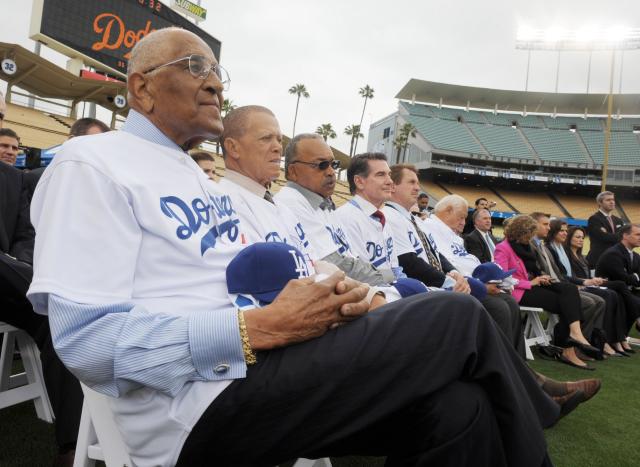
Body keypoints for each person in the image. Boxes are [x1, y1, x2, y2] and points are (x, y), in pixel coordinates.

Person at [28, 27, 560, 467]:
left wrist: (331, 300)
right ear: (141, 89)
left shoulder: (194, 177)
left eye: (217, 71)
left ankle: (529, 404)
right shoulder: (93, 164)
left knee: (458, 407)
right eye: (195, 67)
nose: (214, 83)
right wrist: (255, 328)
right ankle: (541, 411)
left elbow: (248, 280)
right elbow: (86, 341)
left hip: (268, 365)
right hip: (197, 406)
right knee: (454, 316)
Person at [0, 93, 82, 467]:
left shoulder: (15, 179)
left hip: (7, 280)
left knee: (59, 316)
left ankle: (72, 444)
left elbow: (23, 235)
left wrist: (21, 263)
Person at [276, 133, 395, 285]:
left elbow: (351, 257)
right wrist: (391, 277)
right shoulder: (291, 202)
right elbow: (334, 266)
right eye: (321, 165)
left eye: (334, 164)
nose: (331, 172)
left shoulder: (322, 203)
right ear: (293, 171)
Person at [419, 193, 525, 357]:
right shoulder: (430, 228)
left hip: (473, 281)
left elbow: (466, 260)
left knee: (510, 302)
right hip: (457, 285)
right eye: (461, 218)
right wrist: (481, 284)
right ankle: (499, 364)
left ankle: (517, 361)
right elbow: (445, 265)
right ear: (447, 211)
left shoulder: (453, 235)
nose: (463, 223)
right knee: (499, 308)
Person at [494, 215, 601, 370]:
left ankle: (574, 334)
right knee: (567, 303)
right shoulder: (503, 248)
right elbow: (501, 277)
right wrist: (530, 282)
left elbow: (530, 270)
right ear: (522, 232)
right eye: (529, 234)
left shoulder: (525, 246)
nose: (531, 237)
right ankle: (568, 345)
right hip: (518, 291)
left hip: (533, 285)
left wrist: (540, 277)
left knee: (569, 290)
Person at [529, 212, 605, 355]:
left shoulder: (544, 247)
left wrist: (578, 283)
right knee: (589, 302)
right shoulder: (541, 246)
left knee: (599, 299)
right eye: (546, 225)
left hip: (556, 286)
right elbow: (540, 274)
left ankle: (579, 342)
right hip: (542, 287)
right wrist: (575, 284)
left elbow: (558, 274)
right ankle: (571, 343)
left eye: (566, 230)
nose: (549, 228)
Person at [565, 226, 636, 355]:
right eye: (577, 237)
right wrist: (588, 281)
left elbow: (586, 277)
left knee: (616, 295)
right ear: (569, 238)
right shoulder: (565, 255)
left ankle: (616, 338)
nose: (581, 240)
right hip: (577, 287)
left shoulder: (581, 257)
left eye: (582, 237)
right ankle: (605, 340)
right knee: (610, 295)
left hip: (588, 285)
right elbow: (569, 277)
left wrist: (594, 280)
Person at [595, 223, 640, 338]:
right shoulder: (613, 253)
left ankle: (622, 336)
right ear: (625, 235)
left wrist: (634, 277)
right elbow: (623, 278)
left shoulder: (635, 255)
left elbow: (631, 278)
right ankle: (619, 337)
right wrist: (634, 277)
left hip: (625, 289)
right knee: (636, 301)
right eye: (638, 234)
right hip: (608, 289)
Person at [586, 191, 624, 268]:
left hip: (615, 259)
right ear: (600, 203)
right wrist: (618, 236)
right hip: (598, 259)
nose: (612, 202)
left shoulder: (618, 220)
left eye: (613, 199)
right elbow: (603, 237)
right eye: (608, 200)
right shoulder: (594, 218)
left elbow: (623, 238)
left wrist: (609, 234)